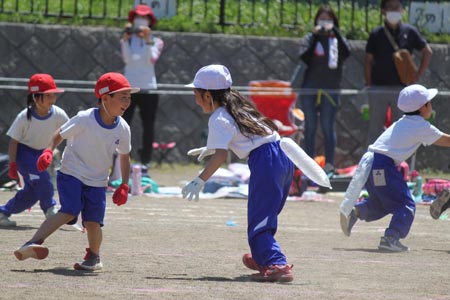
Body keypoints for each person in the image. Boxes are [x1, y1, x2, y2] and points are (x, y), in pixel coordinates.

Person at [13, 72, 138, 271]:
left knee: (93, 221)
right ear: (105, 98)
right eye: (123, 97)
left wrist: (124, 184)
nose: (127, 102)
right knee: (70, 209)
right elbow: (58, 135)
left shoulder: (123, 128)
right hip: (71, 173)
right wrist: (47, 151)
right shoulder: (84, 118)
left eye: (129, 97)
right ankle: (32, 242)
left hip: (97, 180)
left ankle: (94, 257)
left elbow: (124, 156)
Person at [183, 65, 294, 282]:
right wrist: (211, 147)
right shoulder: (241, 107)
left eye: (196, 94)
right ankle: (263, 257)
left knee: (259, 221)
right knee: (264, 216)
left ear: (207, 94)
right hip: (282, 157)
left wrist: (199, 180)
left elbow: (221, 156)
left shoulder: (219, 117)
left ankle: (277, 263)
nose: (196, 100)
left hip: (266, 162)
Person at [340, 84, 450, 252]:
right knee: (406, 204)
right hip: (383, 165)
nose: (431, 105)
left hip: (373, 164)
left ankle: (357, 212)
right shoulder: (419, 125)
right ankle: (391, 238)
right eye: (429, 102)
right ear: (423, 107)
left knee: (383, 204)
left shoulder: (405, 122)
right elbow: (446, 141)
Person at [0, 74, 68, 227]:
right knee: (43, 179)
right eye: (48, 95)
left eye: (53, 95)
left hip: (43, 153)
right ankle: (50, 209)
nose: (52, 98)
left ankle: (3, 212)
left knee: (31, 194)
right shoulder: (24, 117)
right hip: (24, 154)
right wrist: (12, 165)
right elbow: (13, 142)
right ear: (35, 97)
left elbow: (70, 131)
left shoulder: (59, 114)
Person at [364, 0, 432, 145]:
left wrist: (418, 75)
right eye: (390, 7)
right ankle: (372, 163)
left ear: (402, 10)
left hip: (403, 90)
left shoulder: (410, 31)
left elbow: (427, 51)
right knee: (375, 129)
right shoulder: (376, 34)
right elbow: (368, 61)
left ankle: (401, 164)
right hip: (378, 88)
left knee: (402, 128)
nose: (394, 10)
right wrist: (369, 85)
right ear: (383, 10)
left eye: (397, 7)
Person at [297, 5, 351, 174]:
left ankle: (329, 164)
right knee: (310, 126)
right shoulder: (310, 38)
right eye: (322, 19)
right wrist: (315, 35)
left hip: (331, 87)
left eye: (329, 19)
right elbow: (305, 57)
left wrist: (334, 31)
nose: (325, 22)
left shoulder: (337, 38)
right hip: (311, 86)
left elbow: (347, 52)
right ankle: (308, 164)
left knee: (328, 125)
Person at [120, 4, 164, 166]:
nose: (141, 20)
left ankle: (146, 160)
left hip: (149, 88)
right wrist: (125, 41)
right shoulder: (127, 39)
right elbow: (127, 60)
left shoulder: (156, 41)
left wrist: (147, 40)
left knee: (148, 126)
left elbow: (149, 60)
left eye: (145, 17)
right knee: (124, 124)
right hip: (129, 88)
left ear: (150, 21)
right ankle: (121, 158)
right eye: (139, 17)